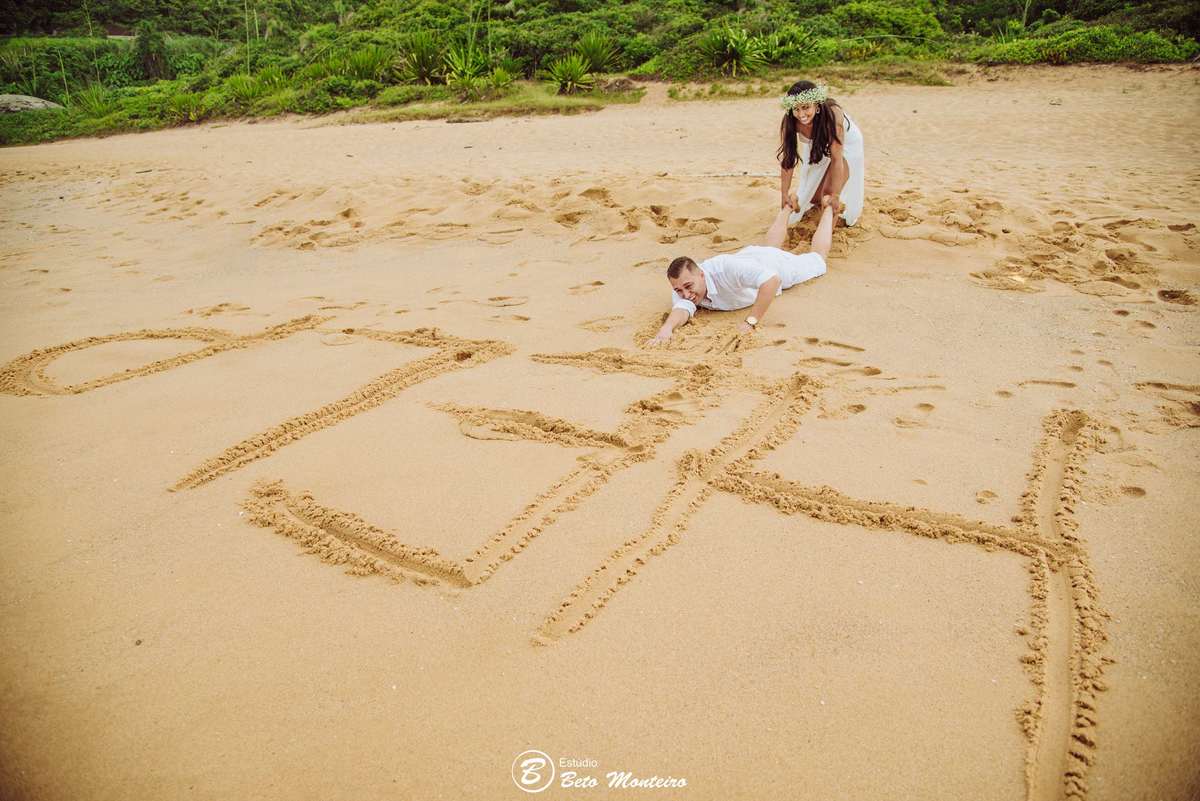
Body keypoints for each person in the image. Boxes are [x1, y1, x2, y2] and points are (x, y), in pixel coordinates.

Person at [648, 199, 834, 346]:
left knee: (818, 260)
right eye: (679, 290)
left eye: (689, 287)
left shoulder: (725, 269)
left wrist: (750, 322)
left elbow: (772, 280)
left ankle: (828, 207)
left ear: (701, 274)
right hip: (749, 259)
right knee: (768, 247)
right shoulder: (681, 289)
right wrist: (666, 329)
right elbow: (682, 310)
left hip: (775, 265)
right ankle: (789, 205)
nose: (686, 295)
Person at [778, 80, 865, 228]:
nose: (801, 114)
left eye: (806, 108)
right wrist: (784, 193)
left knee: (829, 195)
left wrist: (836, 196)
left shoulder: (832, 120)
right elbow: (788, 158)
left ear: (817, 105)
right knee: (813, 197)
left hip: (846, 143)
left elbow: (837, 159)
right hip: (818, 143)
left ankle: (829, 228)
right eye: (796, 109)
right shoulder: (791, 121)